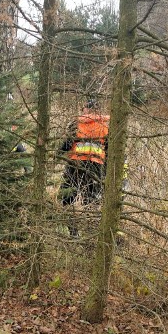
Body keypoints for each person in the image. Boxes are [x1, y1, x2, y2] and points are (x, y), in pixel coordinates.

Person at [59, 100, 109, 236]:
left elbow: (67, 144)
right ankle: (90, 234)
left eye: (83, 108)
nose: (82, 111)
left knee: (67, 196)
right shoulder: (105, 126)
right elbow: (109, 149)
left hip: (75, 164)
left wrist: (58, 153)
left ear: (87, 109)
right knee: (92, 200)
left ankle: (73, 233)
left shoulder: (77, 124)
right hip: (96, 166)